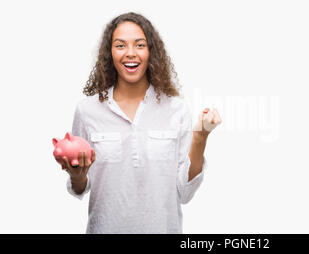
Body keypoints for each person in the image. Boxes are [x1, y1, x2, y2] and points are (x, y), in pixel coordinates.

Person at [54, 12, 221, 233]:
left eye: (140, 45)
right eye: (120, 45)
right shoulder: (87, 110)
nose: (130, 53)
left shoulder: (176, 109)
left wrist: (201, 136)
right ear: (110, 53)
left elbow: (185, 193)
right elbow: (80, 189)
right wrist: (77, 177)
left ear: (151, 52)